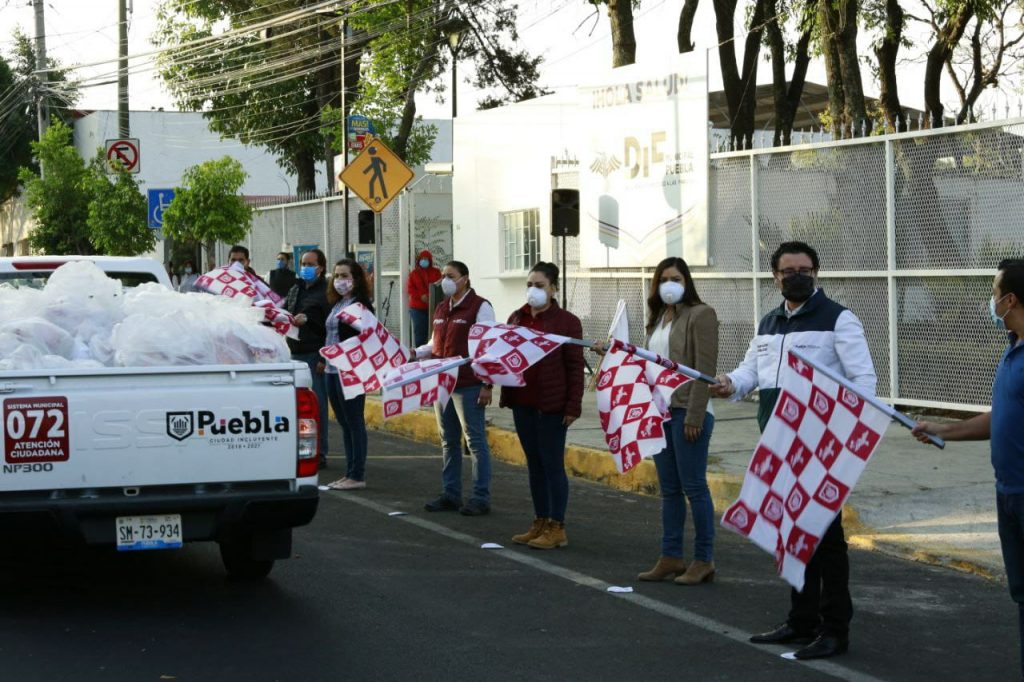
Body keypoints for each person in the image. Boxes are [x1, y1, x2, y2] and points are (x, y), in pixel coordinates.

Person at [710, 241, 876, 660]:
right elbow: (751, 371)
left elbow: (863, 382)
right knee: (794, 533)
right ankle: (802, 622)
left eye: (805, 270)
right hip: (780, 446)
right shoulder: (768, 323)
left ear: (816, 273)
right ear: (776, 277)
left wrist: (840, 431)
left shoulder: (839, 319)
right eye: (789, 271)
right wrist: (730, 382)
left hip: (820, 448)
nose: (797, 276)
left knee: (826, 538)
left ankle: (834, 629)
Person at [911, 258, 1024, 680]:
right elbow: (1001, 419)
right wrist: (942, 429)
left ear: (1010, 300)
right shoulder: (1012, 349)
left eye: (993, 293)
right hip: (1008, 492)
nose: (990, 301)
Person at [633, 257, 719, 584]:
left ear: (687, 282)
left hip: (686, 411)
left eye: (676, 279)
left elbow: (704, 369)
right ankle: (671, 556)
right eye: (663, 279)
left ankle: (704, 559)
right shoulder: (657, 319)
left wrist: (694, 414)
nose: (669, 285)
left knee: (694, 487)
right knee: (669, 489)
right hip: (661, 412)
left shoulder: (701, 314)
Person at [500, 262, 584, 549]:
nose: (533, 291)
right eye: (529, 285)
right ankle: (540, 520)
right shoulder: (517, 318)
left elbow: (575, 367)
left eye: (539, 285)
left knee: (552, 465)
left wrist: (573, 406)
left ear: (553, 289)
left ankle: (557, 527)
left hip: (551, 406)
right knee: (534, 465)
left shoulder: (567, 322)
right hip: (522, 402)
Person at [420, 260, 496, 516]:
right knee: (448, 440)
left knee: (475, 441)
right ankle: (450, 494)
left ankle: (480, 497)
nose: (445, 281)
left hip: (468, 384)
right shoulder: (442, 307)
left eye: (451, 276)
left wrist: (487, 383)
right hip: (442, 383)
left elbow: (488, 347)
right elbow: (434, 343)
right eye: (443, 276)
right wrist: (415, 353)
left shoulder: (480, 307)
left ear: (465, 278)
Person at [323, 259, 373, 491]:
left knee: (354, 422)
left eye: (344, 276)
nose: (339, 280)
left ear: (356, 279)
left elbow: (367, 337)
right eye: (336, 276)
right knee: (344, 423)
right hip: (331, 369)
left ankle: (357, 474)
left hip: (350, 371)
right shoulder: (337, 303)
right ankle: (349, 472)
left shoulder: (360, 306)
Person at [285, 248, 330, 469]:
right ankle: (300, 449)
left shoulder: (326, 293)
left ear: (320, 268)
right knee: (296, 407)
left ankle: (319, 452)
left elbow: (330, 328)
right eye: (303, 264)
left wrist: (324, 357)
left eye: (310, 264)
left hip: (314, 354)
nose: (305, 268)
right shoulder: (296, 289)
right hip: (294, 352)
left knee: (317, 406)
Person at [407, 248, 442, 347]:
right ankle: (420, 352)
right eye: (422, 259)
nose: (424, 261)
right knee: (420, 332)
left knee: (434, 331)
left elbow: (439, 286)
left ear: (430, 260)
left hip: (433, 307)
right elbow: (410, 289)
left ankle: (433, 350)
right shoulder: (414, 273)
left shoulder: (436, 272)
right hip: (417, 308)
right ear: (419, 260)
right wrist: (421, 296)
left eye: (426, 259)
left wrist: (430, 296)